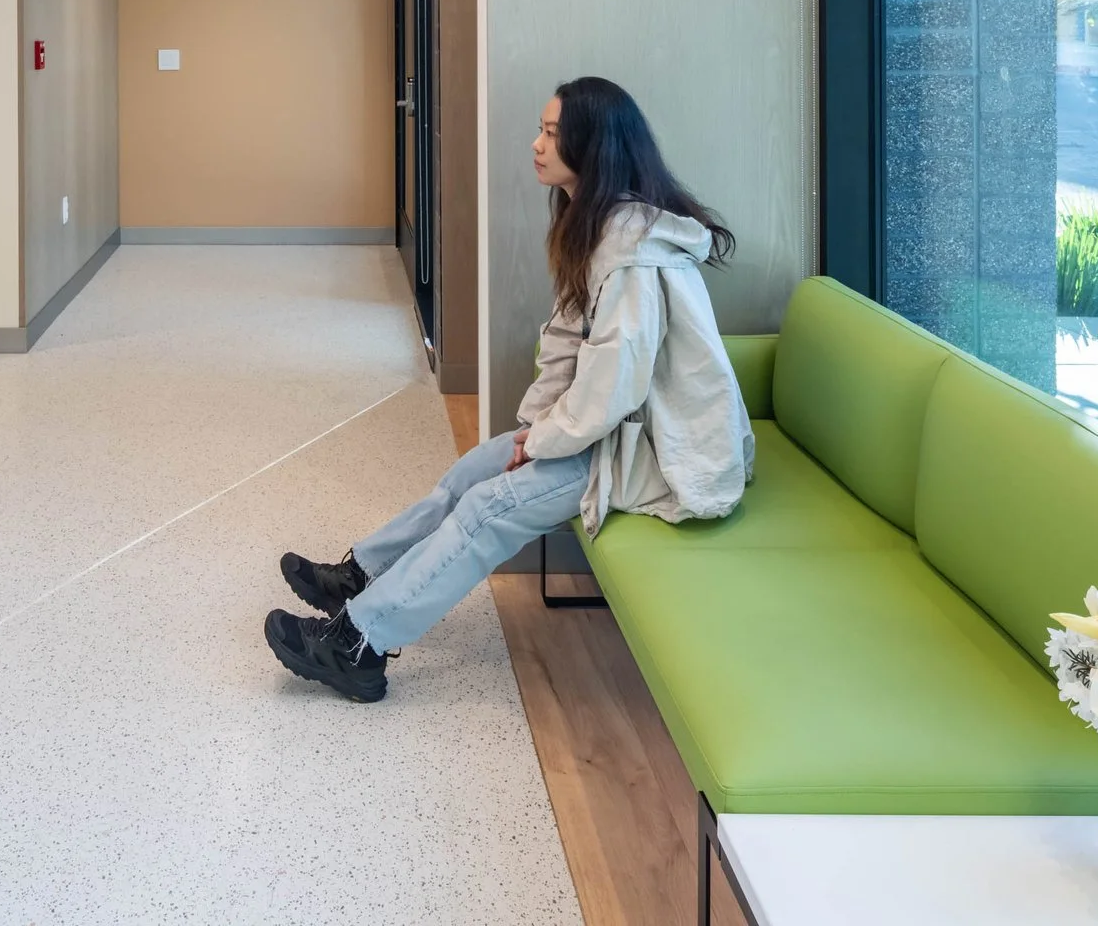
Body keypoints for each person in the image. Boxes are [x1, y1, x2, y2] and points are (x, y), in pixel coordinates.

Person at [264, 76, 755, 702]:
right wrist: (533, 433)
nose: (536, 145)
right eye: (541, 131)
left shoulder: (633, 255)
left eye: (551, 134)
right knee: (472, 472)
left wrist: (545, 440)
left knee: (486, 510)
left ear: (592, 147)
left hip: (654, 449)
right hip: (610, 432)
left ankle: (359, 645)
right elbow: (569, 346)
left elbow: (614, 386)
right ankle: (362, 575)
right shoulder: (597, 227)